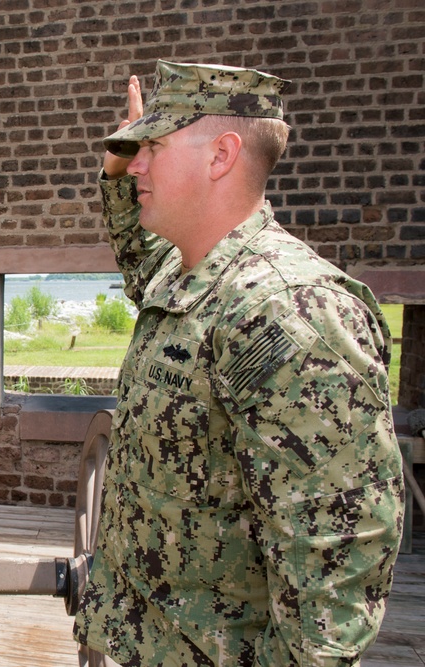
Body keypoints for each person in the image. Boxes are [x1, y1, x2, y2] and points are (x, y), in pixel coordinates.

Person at [72, 60, 405, 666]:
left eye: (154, 146)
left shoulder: (290, 314)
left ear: (220, 156)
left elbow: (335, 562)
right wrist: (119, 173)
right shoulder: (190, 273)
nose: (137, 161)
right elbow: (141, 258)